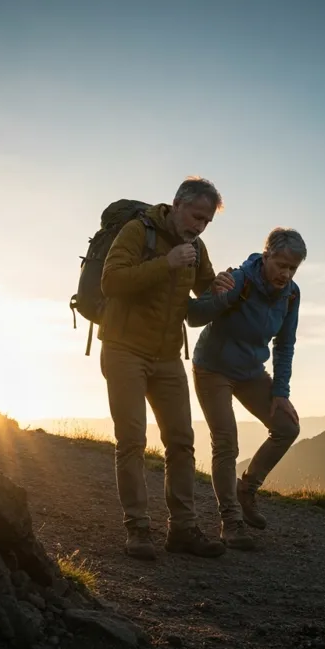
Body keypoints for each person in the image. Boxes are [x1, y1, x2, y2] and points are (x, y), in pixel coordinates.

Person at [99, 177, 233, 561]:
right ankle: (138, 529)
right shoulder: (137, 231)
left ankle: (183, 530)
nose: (200, 226)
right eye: (196, 217)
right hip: (124, 348)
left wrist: (219, 288)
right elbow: (111, 282)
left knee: (181, 442)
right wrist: (166, 263)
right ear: (177, 204)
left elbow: (203, 295)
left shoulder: (198, 247)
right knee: (132, 441)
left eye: (207, 221)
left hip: (168, 356)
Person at [186, 227, 306, 550]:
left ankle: (248, 488)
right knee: (226, 442)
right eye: (281, 264)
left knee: (287, 426)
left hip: (251, 372)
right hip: (212, 368)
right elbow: (193, 317)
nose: (286, 273)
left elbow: (285, 344)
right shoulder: (240, 280)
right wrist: (215, 291)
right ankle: (231, 521)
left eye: (293, 268)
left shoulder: (291, 295)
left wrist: (281, 392)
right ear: (266, 256)